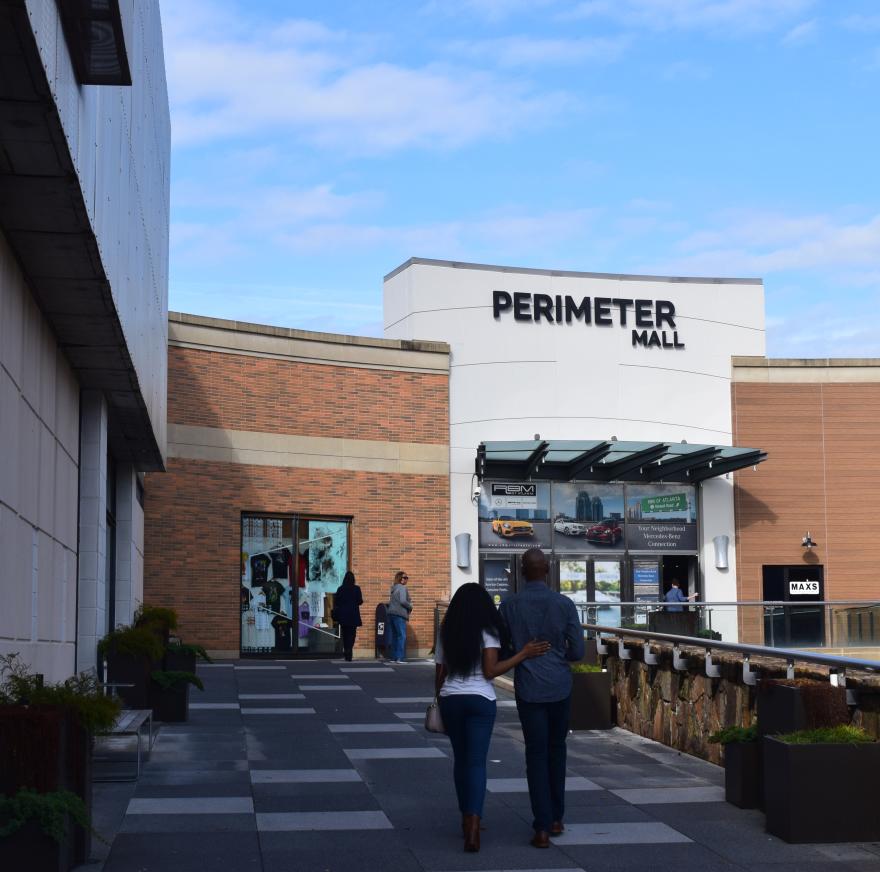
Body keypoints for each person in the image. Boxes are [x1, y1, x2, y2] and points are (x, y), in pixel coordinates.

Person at [435, 583, 550, 853]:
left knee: (461, 761)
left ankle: (466, 820)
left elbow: (439, 673)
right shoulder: (488, 631)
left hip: (451, 699)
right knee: (476, 763)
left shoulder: (446, 631)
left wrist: (439, 701)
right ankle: (474, 826)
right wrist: (523, 654)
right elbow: (490, 671)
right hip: (480, 701)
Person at [499, 548, 585, 848]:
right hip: (559, 686)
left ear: (522, 570)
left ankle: (542, 827)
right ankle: (557, 817)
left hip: (529, 687)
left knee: (535, 754)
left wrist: (522, 654)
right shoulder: (564, 604)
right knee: (556, 750)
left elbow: (501, 647)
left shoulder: (509, 605)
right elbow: (578, 651)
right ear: (547, 569)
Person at [333, 570, 363, 661]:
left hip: (343, 615)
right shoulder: (356, 589)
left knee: (345, 634)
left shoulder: (340, 589)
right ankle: (349, 650)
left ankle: (346, 650)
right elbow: (360, 601)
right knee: (352, 634)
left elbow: (337, 601)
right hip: (353, 615)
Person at [386, 570, 412, 663]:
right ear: (401, 579)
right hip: (399, 614)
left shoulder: (394, 588)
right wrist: (410, 606)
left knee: (394, 636)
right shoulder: (402, 588)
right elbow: (403, 601)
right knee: (401, 636)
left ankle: (393, 657)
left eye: (407, 578)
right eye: (405, 578)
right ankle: (400, 658)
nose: (406, 579)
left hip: (391, 614)